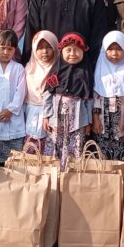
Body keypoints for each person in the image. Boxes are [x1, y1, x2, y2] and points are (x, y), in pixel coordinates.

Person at [43, 32, 95, 169]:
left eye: (77, 50)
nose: (73, 53)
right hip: (57, 119)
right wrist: (46, 116)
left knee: (75, 148)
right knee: (55, 146)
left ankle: (70, 179)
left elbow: (88, 99)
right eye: (69, 50)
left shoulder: (86, 73)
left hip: (78, 121)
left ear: (83, 51)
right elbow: (47, 94)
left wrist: (89, 121)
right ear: (61, 51)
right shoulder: (56, 71)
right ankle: (54, 177)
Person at [92, 30, 124, 162]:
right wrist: (96, 118)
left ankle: (121, 181)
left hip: (123, 123)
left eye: (119, 49)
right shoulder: (100, 70)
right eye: (110, 49)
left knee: (122, 157)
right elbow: (96, 96)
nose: (114, 53)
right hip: (103, 122)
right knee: (102, 158)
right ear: (104, 50)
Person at [0, 29, 27, 164]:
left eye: (10, 49)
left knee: (13, 163)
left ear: (15, 50)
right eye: (2, 48)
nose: (6, 52)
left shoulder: (19, 69)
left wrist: (10, 110)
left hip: (14, 122)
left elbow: (21, 92)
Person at [23, 30, 58, 154]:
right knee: (31, 147)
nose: (45, 51)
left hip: (52, 113)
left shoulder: (58, 69)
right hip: (31, 112)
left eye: (49, 47)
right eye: (41, 47)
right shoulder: (29, 68)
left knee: (49, 148)